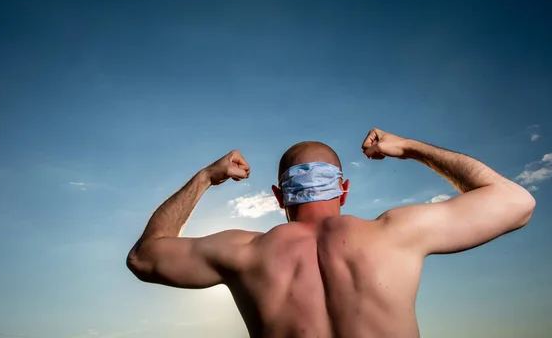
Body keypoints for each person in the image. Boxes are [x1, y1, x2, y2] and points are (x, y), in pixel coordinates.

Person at [127, 128, 536, 338]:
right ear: (343, 188)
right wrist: (410, 148)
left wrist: (206, 178)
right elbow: (517, 202)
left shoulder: (245, 253)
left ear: (277, 197)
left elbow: (144, 257)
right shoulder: (394, 234)